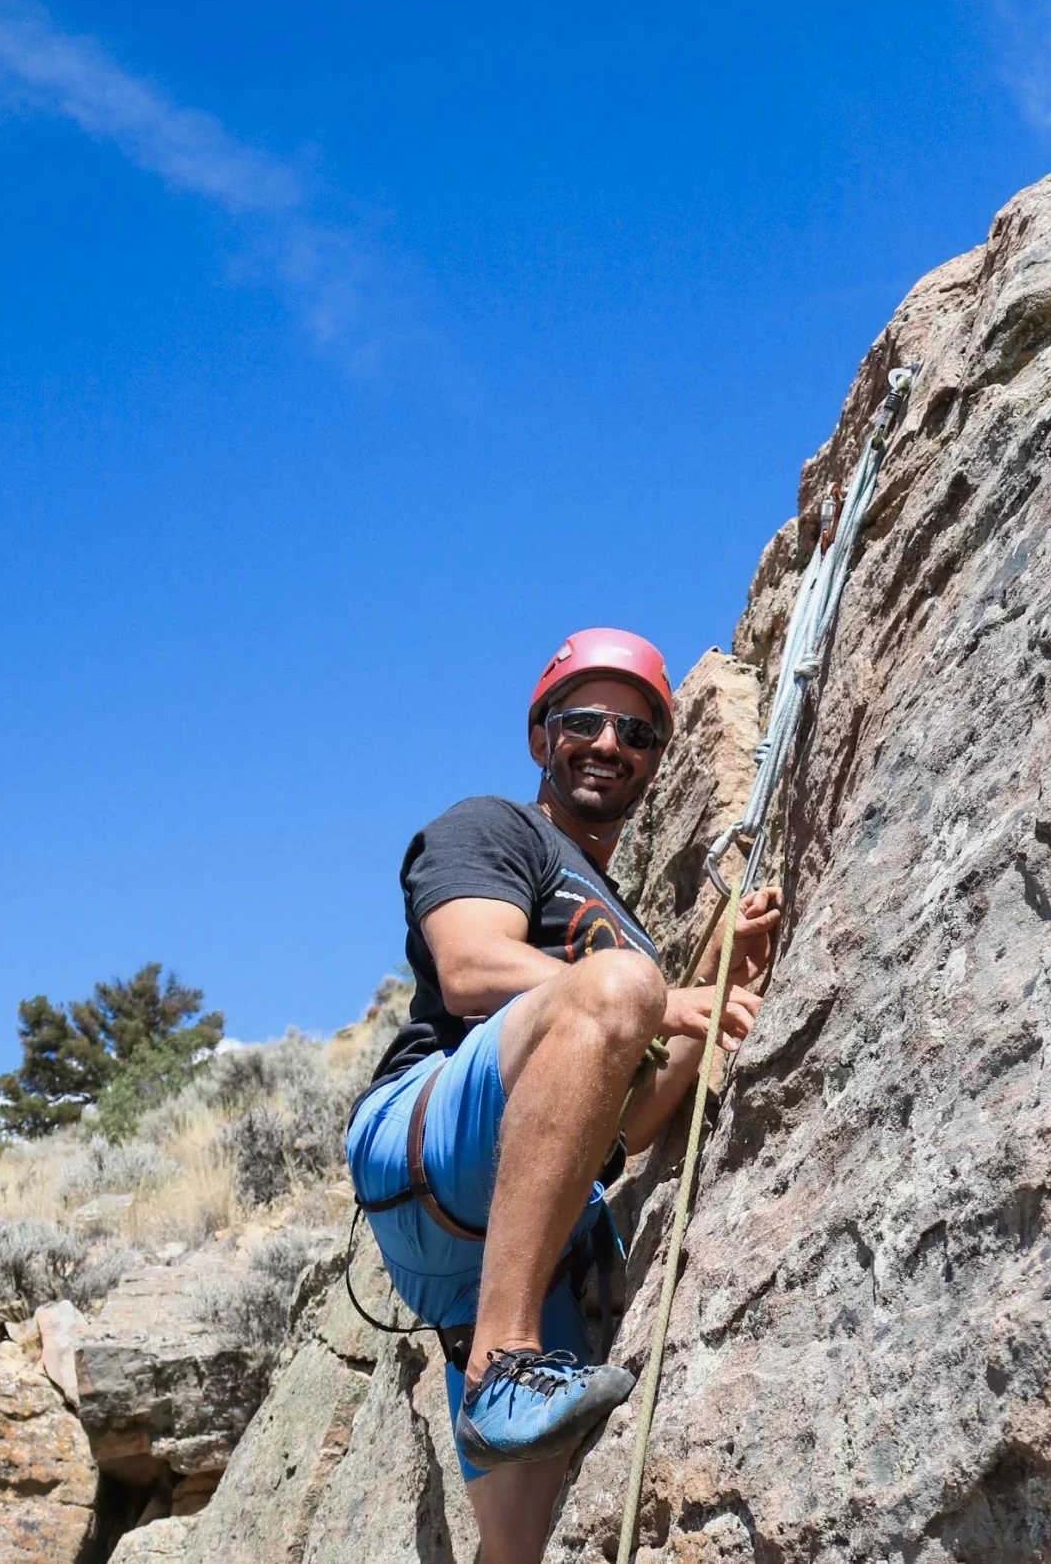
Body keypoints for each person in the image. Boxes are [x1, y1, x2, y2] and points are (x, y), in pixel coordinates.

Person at [346, 627, 781, 1564]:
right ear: (541, 735)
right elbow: (466, 968)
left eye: (637, 731)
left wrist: (710, 986)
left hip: (526, 1226)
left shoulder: (628, 934)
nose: (609, 742)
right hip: (428, 1142)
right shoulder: (496, 827)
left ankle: (507, 1390)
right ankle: (505, 1363)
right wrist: (657, 994)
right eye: (583, 719)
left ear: (657, 762)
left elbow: (625, 1125)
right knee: (620, 987)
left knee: (522, 1540)